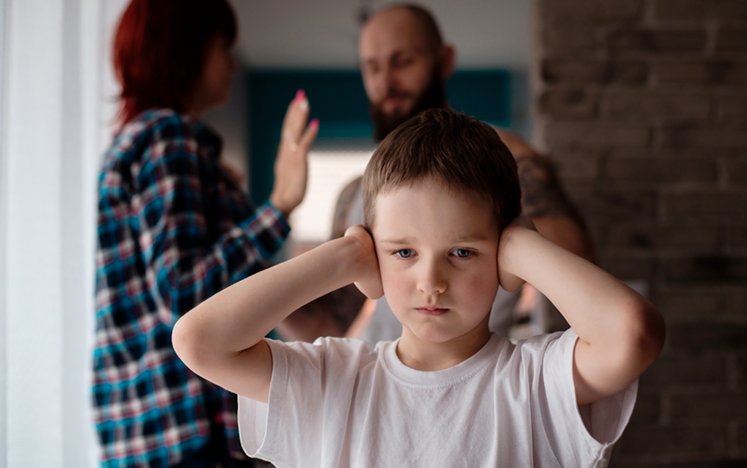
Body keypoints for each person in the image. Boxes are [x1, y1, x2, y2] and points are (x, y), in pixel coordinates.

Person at [173, 108, 665, 467]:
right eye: (403, 252)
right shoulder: (333, 381)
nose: (431, 282)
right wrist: (343, 258)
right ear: (373, 250)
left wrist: (521, 248)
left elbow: (634, 333)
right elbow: (198, 340)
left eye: (463, 252)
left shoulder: (535, 382)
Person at [278, 3, 593, 345]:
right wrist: (275, 212)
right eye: (372, 68)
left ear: (444, 60)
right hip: (383, 384)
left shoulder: (507, 160)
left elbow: (577, 261)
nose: (387, 83)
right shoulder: (357, 193)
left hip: (477, 378)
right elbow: (330, 326)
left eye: (403, 62)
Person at [92, 0, 316, 466]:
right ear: (185, 49)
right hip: (186, 429)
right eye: (222, 47)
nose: (233, 65)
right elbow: (184, 290)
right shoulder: (167, 137)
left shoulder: (144, 140)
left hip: (151, 430)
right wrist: (278, 206)